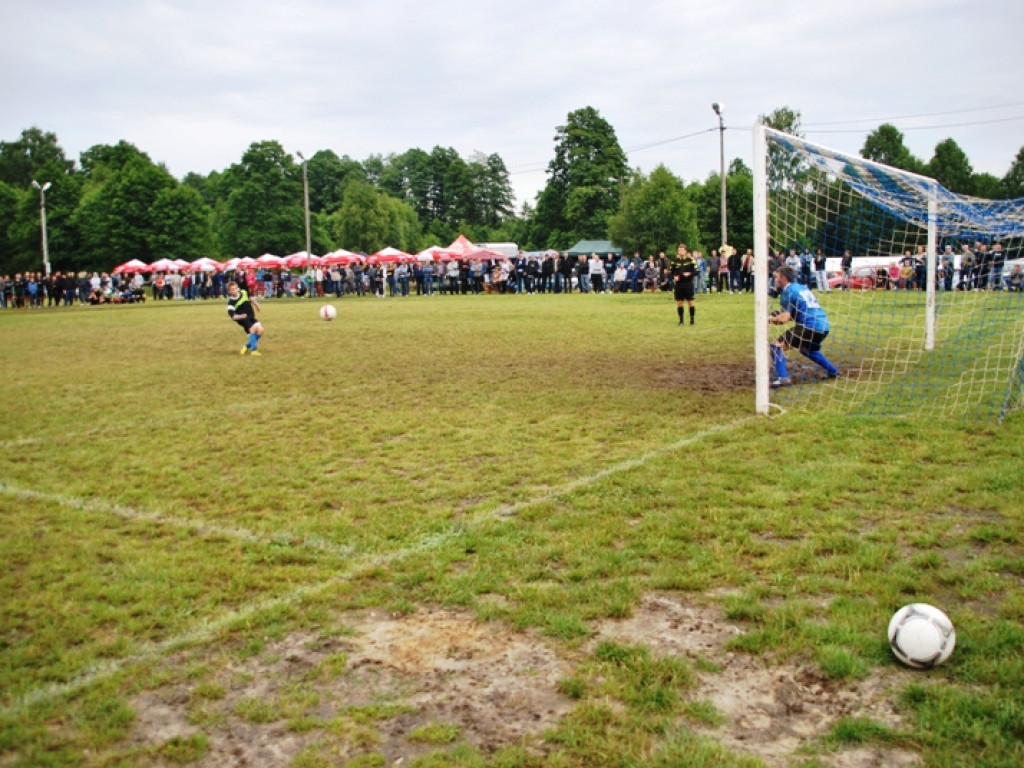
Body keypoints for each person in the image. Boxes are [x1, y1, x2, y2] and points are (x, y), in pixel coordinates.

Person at [768, 266, 839, 387]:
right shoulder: (801, 288)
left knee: (776, 346)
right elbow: (793, 314)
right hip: (823, 326)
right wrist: (775, 315)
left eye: (776, 277)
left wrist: (769, 319)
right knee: (807, 349)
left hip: (809, 326)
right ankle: (833, 371)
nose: (774, 280)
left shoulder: (787, 292)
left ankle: (783, 378)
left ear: (783, 278)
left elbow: (784, 319)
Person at [226, 280, 264, 356]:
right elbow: (233, 317)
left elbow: (251, 299)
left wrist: (257, 305)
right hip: (242, 319)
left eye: (235, 288)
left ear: (238, 288)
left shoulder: (244, 292)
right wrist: (241, 316)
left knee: (261, 331)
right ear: (229, 291)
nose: (234, 291)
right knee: (252, 329)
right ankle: (254, 350)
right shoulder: (231, 303)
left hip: (251, 316)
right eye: (232, 289)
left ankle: (246, 346)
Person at [672, 244, 698, 326]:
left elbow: (696, 271)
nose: (680, 251)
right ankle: (681, 321)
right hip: (679, 284)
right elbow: (671, 272)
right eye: (679, 250)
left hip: (688, 284)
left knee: (690, 302)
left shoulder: (691, 260)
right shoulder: (674, 261)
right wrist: (674, 277)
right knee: (679, 302)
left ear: (686, 251)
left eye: (682, 250)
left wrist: (689, 273)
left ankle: (692, 320)